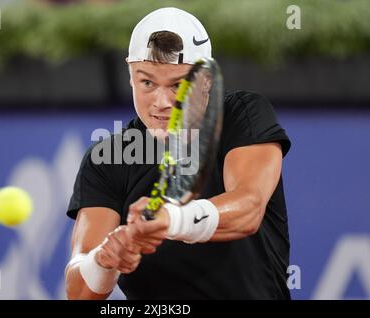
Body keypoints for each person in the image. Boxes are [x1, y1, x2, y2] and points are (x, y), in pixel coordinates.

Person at [65, 7, 291, 300]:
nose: (161, 102)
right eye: (147, 82)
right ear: (131, 75)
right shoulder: (106, 158)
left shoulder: (241, 114)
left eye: (178, 85)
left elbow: (248, 209)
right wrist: (104, 260)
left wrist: (171, 220)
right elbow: (78, 292)